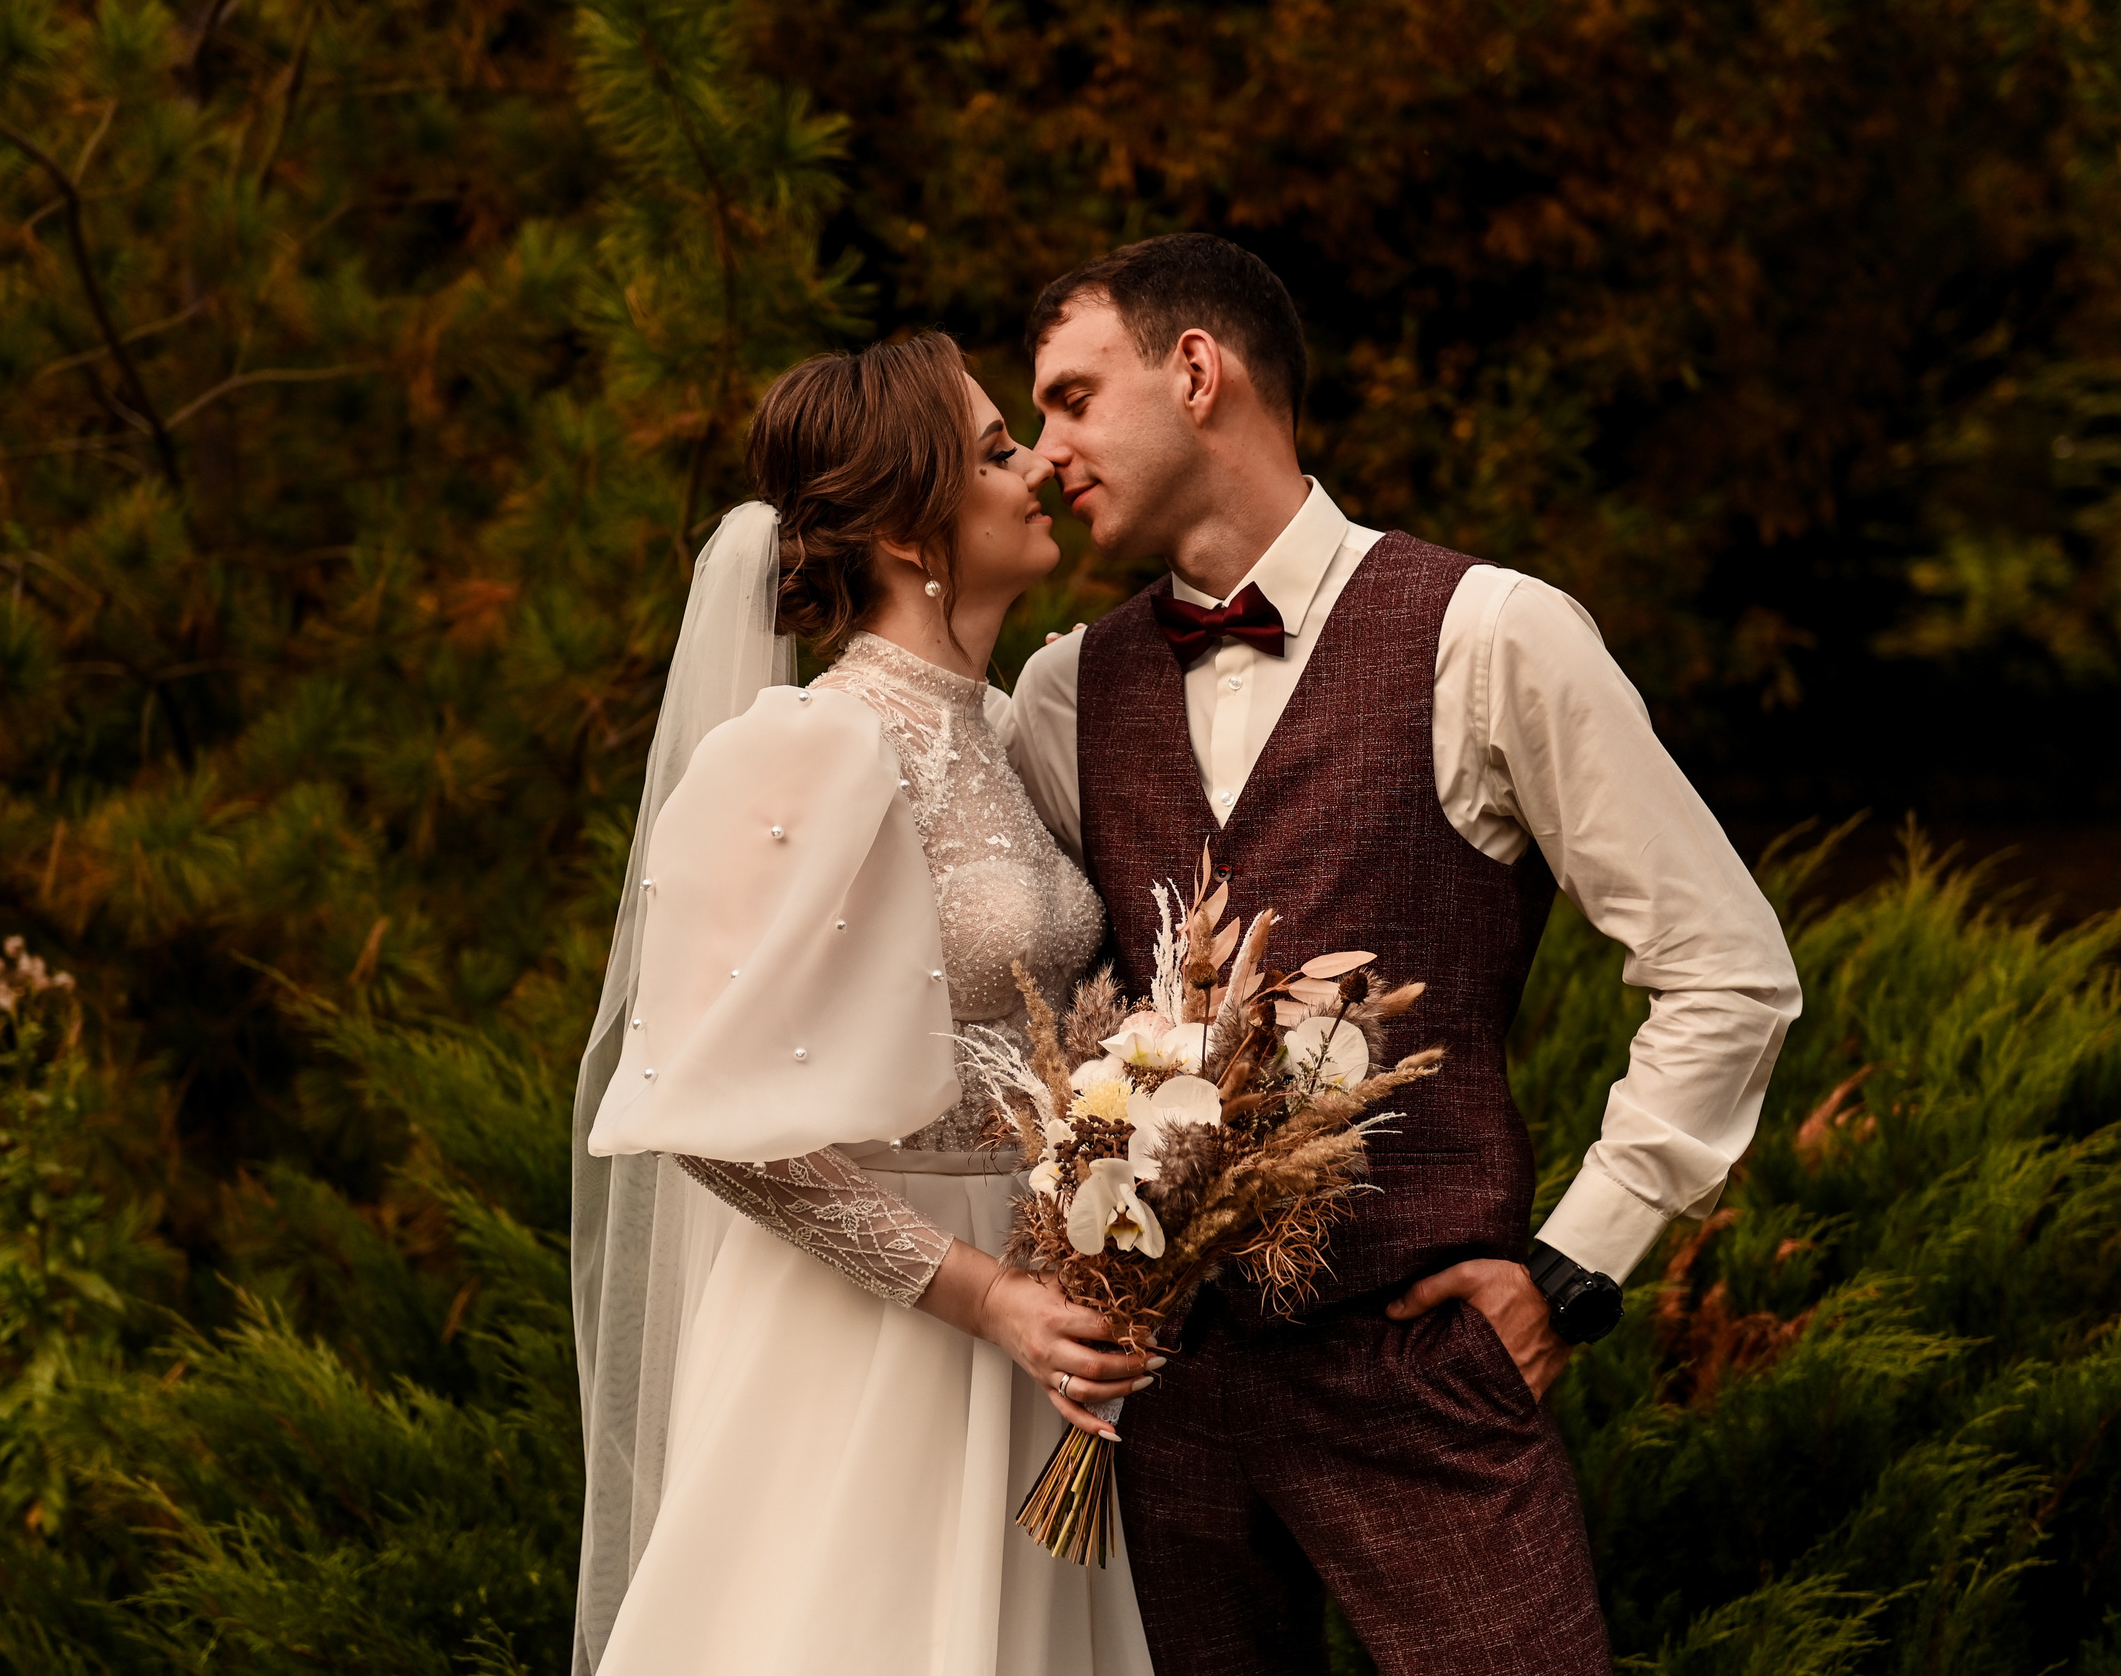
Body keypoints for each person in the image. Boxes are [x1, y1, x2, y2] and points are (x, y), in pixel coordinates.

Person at [1005, 234, 1804, 1676]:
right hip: (1162, 1406)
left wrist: (1573, 1267)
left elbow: (1727, 969)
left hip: (1421, 1378)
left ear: (1197, 372)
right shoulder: (1066, 692)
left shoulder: (1492, 636)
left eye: (1072, 397)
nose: (1046, 451)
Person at [570, 333, 1159, 1676]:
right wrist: (983, 1298)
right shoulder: (810, 744)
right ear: (906, 529)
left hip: (1039, 1308)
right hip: (877, 1323)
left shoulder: (1002, 733)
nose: (1039, 469)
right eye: (998, 450)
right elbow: (706, 1124)